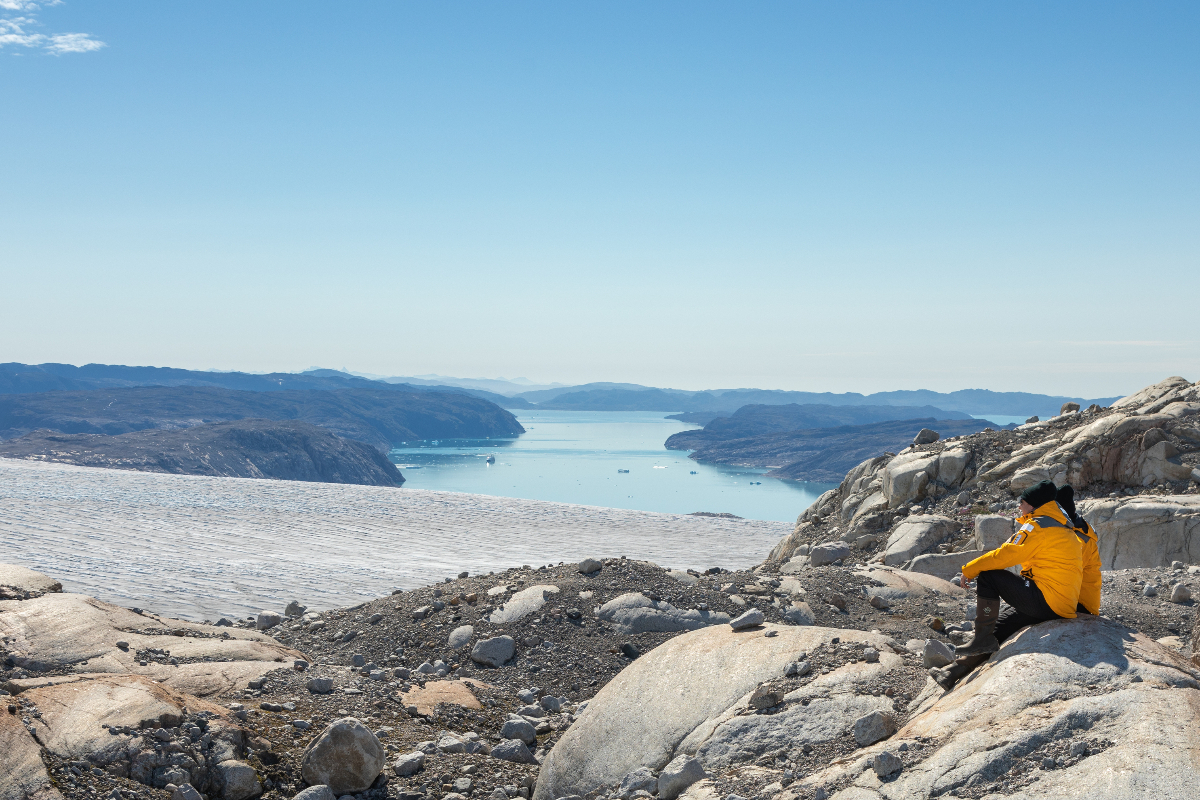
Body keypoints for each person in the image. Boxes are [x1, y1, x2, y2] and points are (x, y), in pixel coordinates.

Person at [929, 479, 1083, 689]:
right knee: (999, 627)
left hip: (1047, 600)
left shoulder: (1038, 525)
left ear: (1033, 504)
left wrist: (970, 569)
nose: (1019, 505)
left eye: (1023, 501)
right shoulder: (1058, 525)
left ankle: (981, 639)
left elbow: (1006, 555)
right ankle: (953, 672)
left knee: (989, 576)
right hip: (1058, 602)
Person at [1057, 484, 1102, 615]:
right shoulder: (1079, 528)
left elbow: (1066, 574)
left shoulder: (1079, 538)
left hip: (1080, 605)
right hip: (1078, 600)